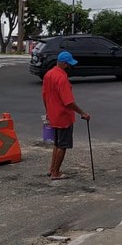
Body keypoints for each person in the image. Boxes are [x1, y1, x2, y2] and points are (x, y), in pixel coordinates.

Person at [42, 50, 91, 180]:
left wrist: (48, 111)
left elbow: (44, 96)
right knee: (62, 145)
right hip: (63, 116)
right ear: (63, 64)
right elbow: (68, 102)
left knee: (57, 144)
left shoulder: (49, 74)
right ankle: (56, 173)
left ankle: (52, 169)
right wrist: (83, 113)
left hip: (53, 114)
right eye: (69, 64)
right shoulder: (62, 78)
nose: (70, 66)